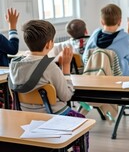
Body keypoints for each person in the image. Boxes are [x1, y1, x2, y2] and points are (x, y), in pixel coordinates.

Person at [8, 20, 88, 152]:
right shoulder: (49, 67)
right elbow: (66, 96)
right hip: (52, 115)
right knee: (83, 122)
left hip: (25, 114)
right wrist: (66, 68)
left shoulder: (14, 64)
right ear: (50, 44)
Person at [83, 3, 129, 76]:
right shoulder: (124, 38)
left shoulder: (94, 35)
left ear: (102, 22)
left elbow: (85, 58)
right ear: (120, 21)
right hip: (119, 81)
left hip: (94, 80)